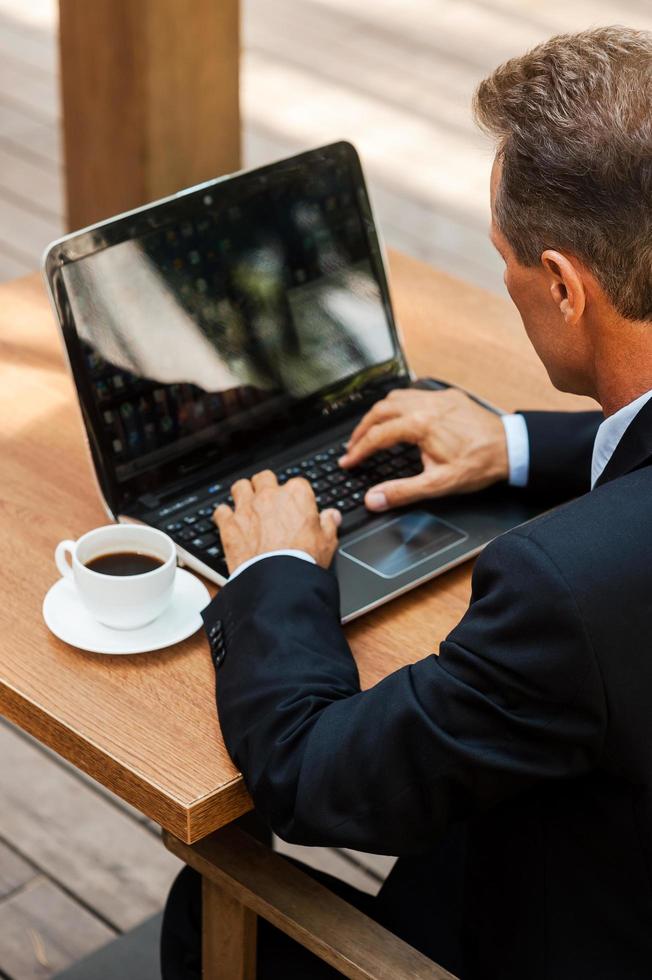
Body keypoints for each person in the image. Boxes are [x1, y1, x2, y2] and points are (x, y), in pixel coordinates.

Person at [162, 26, 652, 980]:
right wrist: (508, 442)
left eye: (504, 256)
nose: (503, 278)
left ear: (562, 284)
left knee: (205, 905)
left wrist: (273, 571)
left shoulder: (564, 594)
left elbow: (308, 775)